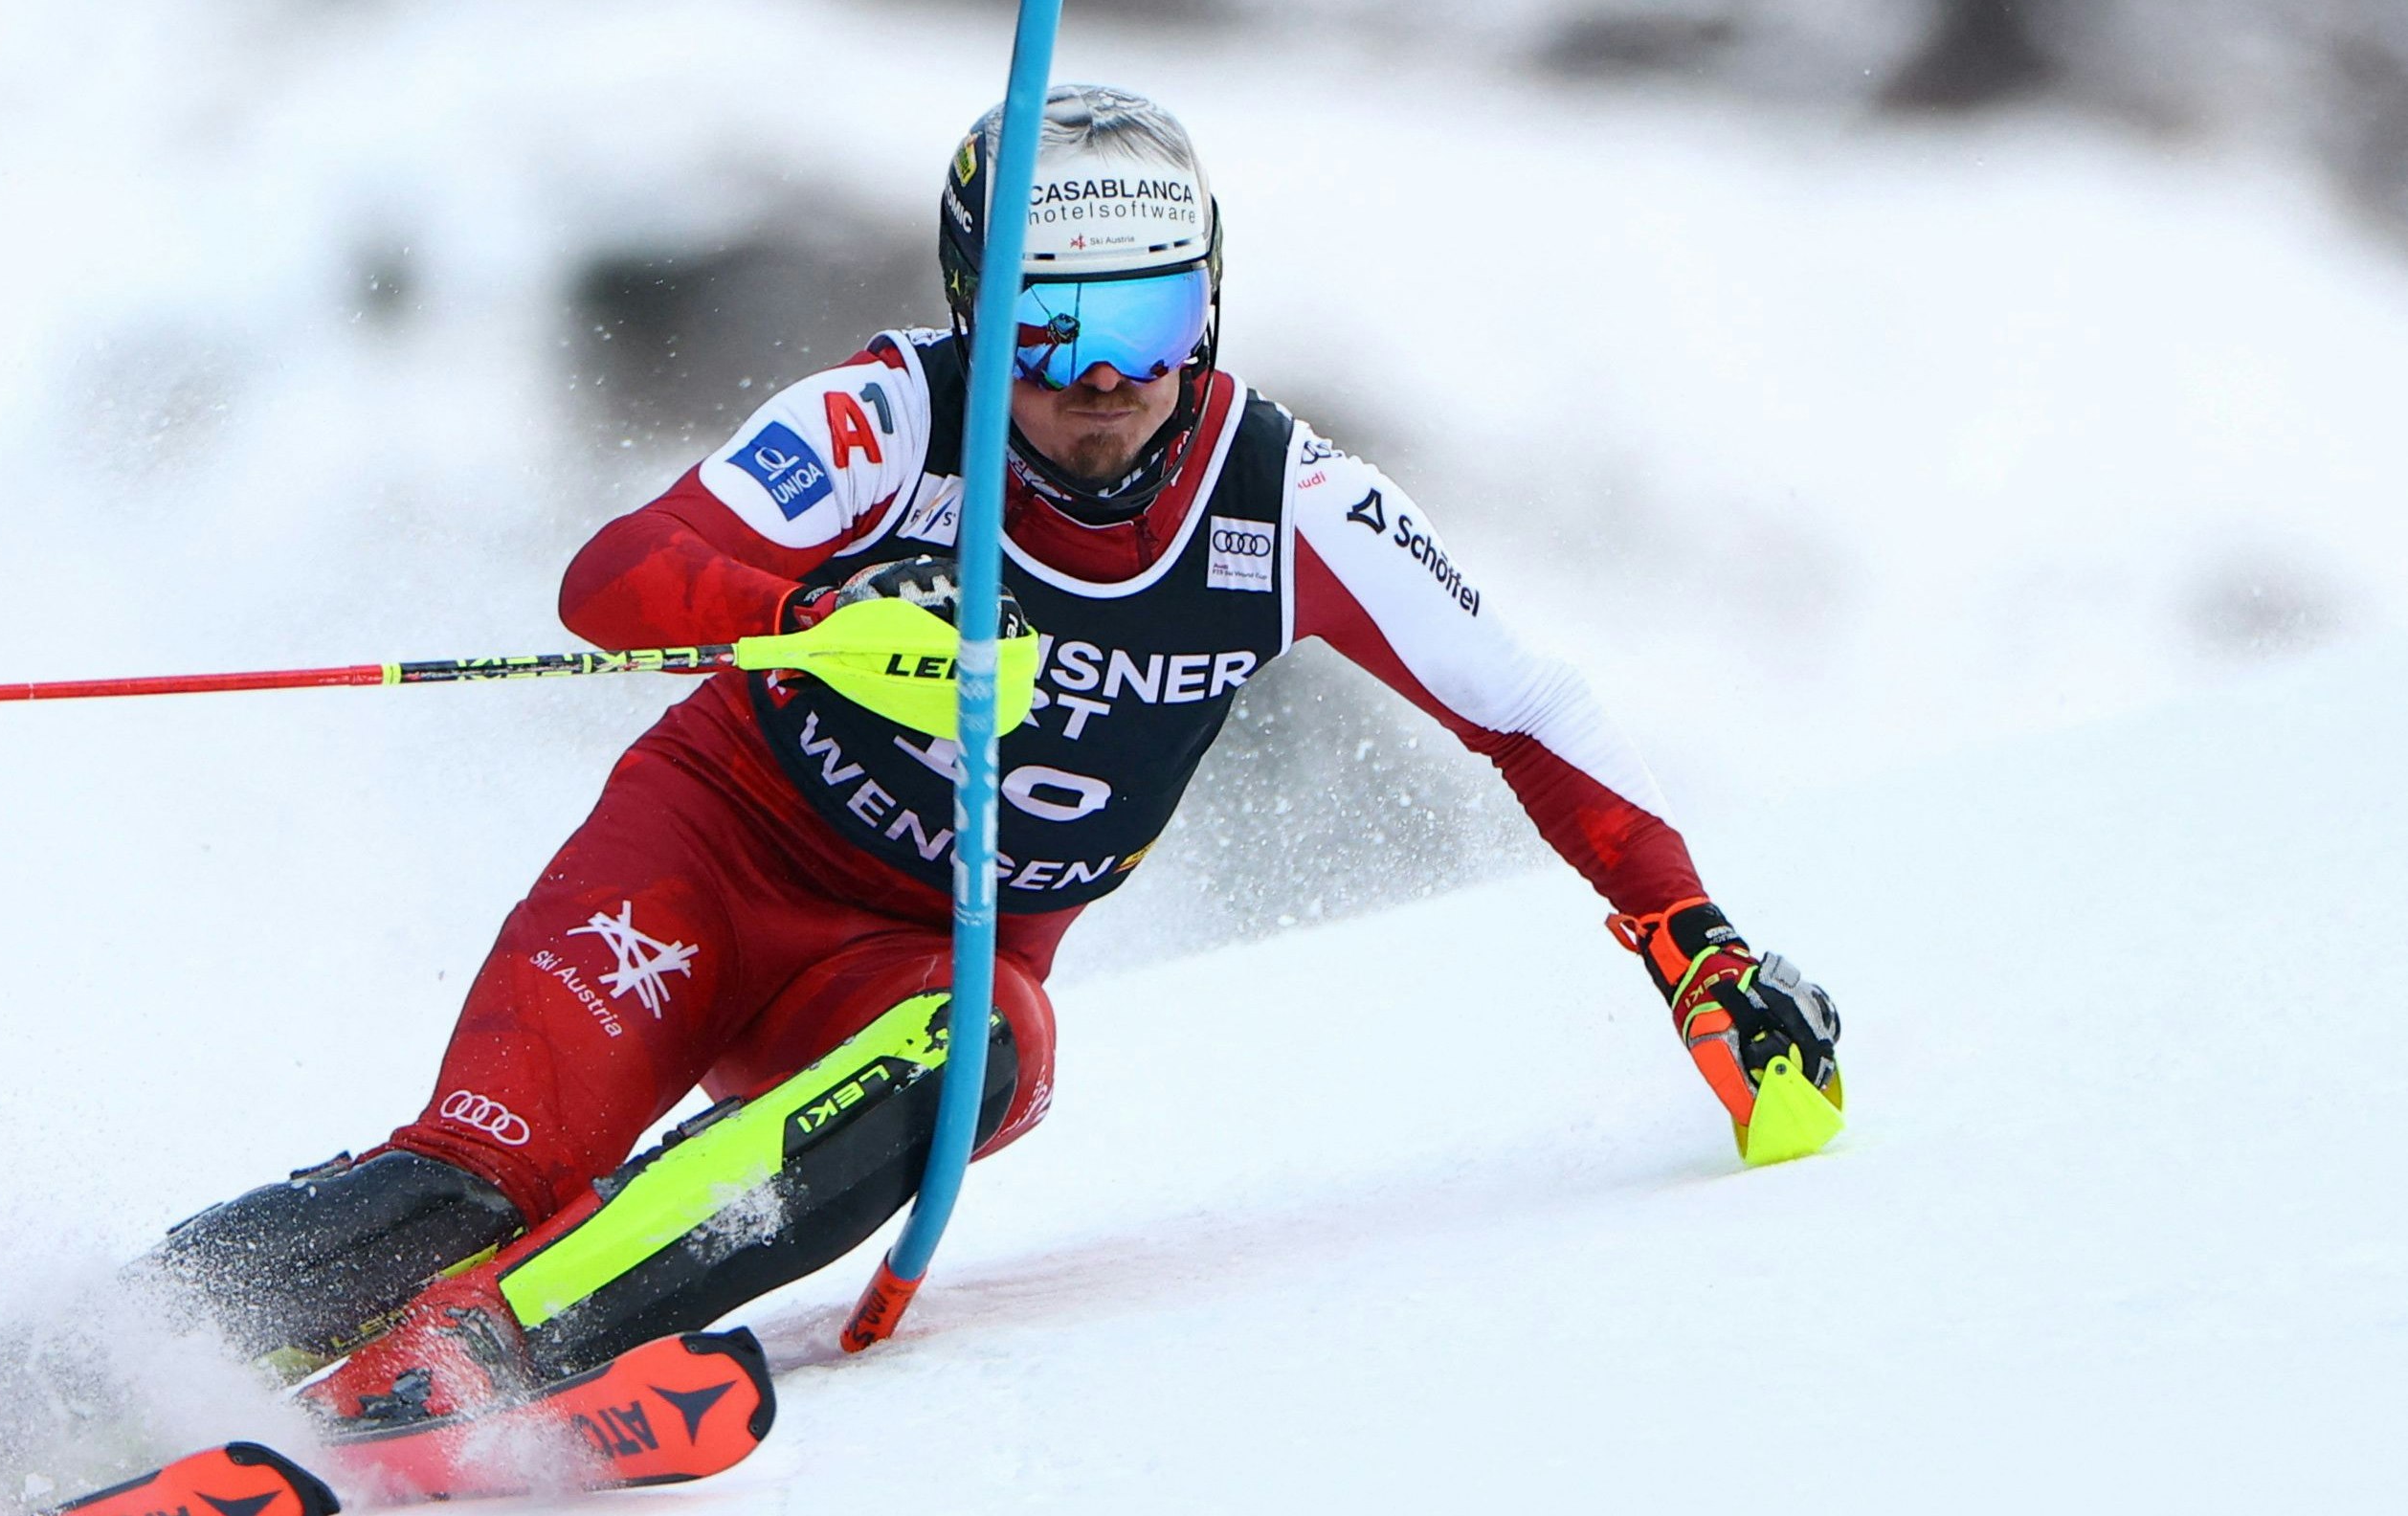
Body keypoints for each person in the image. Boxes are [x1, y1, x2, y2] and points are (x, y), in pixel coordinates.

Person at [147, 84, 1842, 1422]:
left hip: (903, 966)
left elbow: (1531, 710)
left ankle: (479, 1357)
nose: (1104, 388)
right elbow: (613, 578)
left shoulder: (1286, 500)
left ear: (1212, 310)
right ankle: (69, 1368)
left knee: (991, 1052)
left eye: (1152, 326)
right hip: (706, 861)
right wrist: (816, 603)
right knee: (484, 1171)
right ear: (977, 311)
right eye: (1049, 333)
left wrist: (1691, 942)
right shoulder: (892, 419)